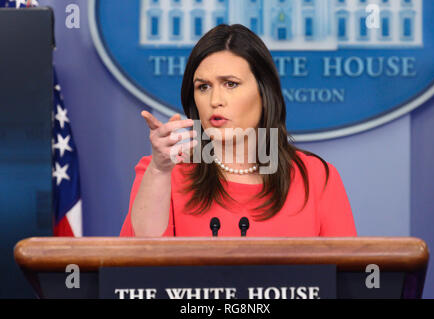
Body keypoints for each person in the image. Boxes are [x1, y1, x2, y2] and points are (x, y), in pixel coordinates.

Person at [120, 24, 357, 237]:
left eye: (230, 84)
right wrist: (160, 171)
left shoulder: (315, 177)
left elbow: (348, 278)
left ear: (265, 94)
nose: (215, 100)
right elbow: (140, 267)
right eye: (203, 87)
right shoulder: (163, 172)